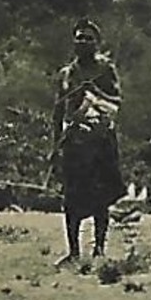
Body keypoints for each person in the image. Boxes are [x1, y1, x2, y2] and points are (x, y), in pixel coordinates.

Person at [50, 19, 127, 265]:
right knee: (71, 199)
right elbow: (58, 111)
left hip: (101, 141)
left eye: (88, 38)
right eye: (79, 37)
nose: (83, 42)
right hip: (75, 143)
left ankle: (99, 249)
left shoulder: (106, 69)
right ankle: (73, 251)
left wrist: (94, 90)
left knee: (100, 197)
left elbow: (116, 101)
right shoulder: (66, 74)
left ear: (97, 43)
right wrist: (55, 146)